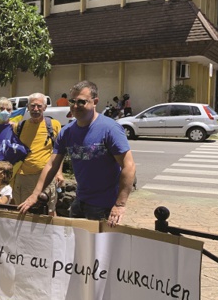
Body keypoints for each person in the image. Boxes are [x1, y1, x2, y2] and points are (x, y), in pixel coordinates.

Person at [18, 81, 136, 227]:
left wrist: (120, 205)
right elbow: (52, 164)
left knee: (98, 248)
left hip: (104, 205)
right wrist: (35, 194)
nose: (75, 106)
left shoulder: (110, 129)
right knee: (75, 245)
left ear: (95, 102)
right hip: (80, 201)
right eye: (72, 101)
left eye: (81, 102)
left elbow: (128, 166)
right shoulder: (67, 131)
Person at [12, 93, 63, 216]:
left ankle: (52, 235)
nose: (35, 109)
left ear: (45, 108)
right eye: (33, 106)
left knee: (49, 212)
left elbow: (60, 151)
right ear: (28, 107)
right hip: (23, 177)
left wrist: (59, 172)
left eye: (39, 106)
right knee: (23, 211)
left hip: (46, 177)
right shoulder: (20, 126)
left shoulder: (54, 125)